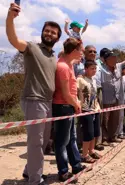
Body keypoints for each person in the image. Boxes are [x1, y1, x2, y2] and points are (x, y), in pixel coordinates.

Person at [6, 2, 62, 185]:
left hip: (47, 102)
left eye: (53, 32)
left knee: (44, 141)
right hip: (33, 100)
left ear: (57, 37)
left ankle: (28, 172)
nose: (49, 34)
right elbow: (13, 39)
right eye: (47, 30)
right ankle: (35, 180)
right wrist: (10, 18)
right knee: (36, 143)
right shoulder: (31, 48)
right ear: (42, 31)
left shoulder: (54, 56)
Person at [52, 37, 86, 182]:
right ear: (73, 51)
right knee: (61, 141)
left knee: (72, 138)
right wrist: (76, 104)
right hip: (63, 106)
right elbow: (66, 94)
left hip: (69, 106)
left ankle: (76, 165)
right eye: (81, 51)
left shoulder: (68, 63)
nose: (82, 54)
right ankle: (63, 171)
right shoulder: (63, 67)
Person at [77, 60, 102, 163]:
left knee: (95, 132)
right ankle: (84, 155)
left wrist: (98, 106)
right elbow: (75, 92)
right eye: (92, 68)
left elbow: (95, 95)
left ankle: (91, 151)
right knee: (88, 132)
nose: (94, 70)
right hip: (85, 109)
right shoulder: (80, 79)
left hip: (95, 109)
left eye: (95, 68)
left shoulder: (94, 80)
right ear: (86, 69)